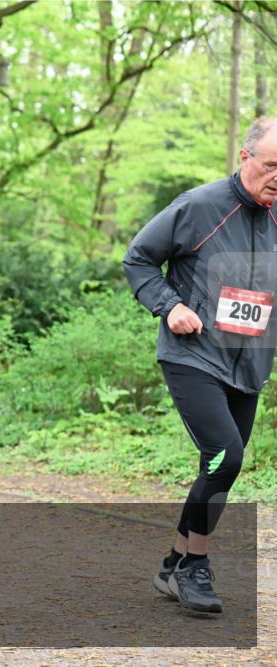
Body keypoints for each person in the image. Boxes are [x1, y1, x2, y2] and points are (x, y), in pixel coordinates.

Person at [123, 117, 277, 614]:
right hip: (193, 355)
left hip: (249, 364)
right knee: (225, 456)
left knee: (220, 469)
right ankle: (195, 568)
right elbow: (139, 258)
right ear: (245, 157)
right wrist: (170, 306)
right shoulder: (199, 206)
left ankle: (173, 562)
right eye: (272, 166)